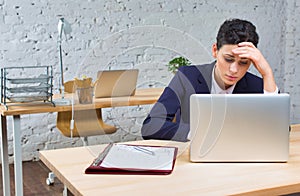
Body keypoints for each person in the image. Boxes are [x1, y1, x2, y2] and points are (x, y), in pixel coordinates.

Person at [141, 18, 278, 142]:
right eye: (228, 59)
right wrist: (197, 133)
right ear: (215, 51)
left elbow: (279, 132)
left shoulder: (258, 85)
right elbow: (151, 126)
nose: (234, 69)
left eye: (243, 63)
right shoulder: (187, 77)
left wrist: (267, 73)